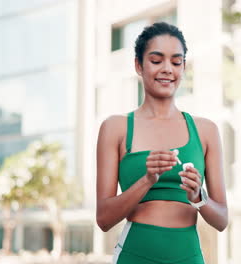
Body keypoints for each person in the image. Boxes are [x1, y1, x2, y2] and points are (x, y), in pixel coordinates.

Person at [96, 22, 228, 264]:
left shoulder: (206, 130)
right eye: (156, 61)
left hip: (188, 256)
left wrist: (199, 196)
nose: (167, 69)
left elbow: (221, 220)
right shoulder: (115, 128)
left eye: (176, 62)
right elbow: (104, 219)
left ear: (183, 67)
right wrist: (147, 180)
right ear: (139, 65)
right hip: (134, 255)